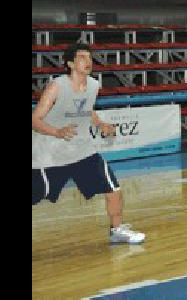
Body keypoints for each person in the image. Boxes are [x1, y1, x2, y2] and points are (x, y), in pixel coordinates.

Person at [32, 43, 146, 245]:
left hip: (82, 151)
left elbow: (86, 109)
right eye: (82, 57)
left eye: (90, 58)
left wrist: (101, 123)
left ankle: (117, 230)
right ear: (70, 64)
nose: (88, 61)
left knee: (113, 188)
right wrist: (57, 132)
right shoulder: (56, 86)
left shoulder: (93, 85)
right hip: (50, 154)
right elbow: (35, 119)